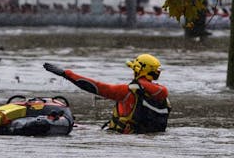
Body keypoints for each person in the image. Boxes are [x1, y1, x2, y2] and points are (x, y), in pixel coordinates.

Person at [43, 54, 171, 134]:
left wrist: (66, 74)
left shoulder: (127, 91)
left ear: (138, 70)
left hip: (123, 139)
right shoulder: (163, 96)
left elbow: (95, 87)